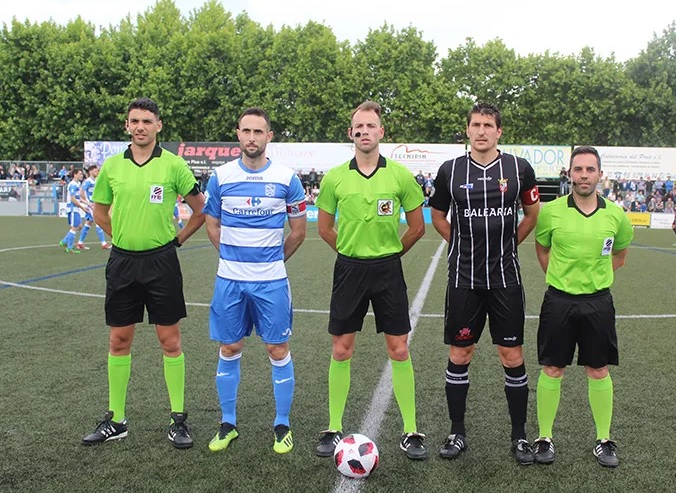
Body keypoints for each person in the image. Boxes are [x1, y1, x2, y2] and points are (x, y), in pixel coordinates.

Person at [81, 97, 206, 448]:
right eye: (135, 121)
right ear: (127, 125)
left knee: (170, 341)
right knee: (119, 341)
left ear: (158, 126)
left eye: (147, 121)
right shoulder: (112, 167)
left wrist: (177, 240)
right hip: (122, 263)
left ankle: (178, 420)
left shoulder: (174, 165)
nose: (140, 127)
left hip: (161, 263)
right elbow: (100, 211)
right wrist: (120, 236)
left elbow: (200, 209)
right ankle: (116, 420)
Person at [314, 100, 427, 460]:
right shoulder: (335, 178)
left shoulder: (400, 176)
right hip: (349, 270)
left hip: (388, 271)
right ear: (351, 133)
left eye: (370, 126)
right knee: (341, 349)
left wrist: (390, 254)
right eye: (358, 127)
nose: (364, 131)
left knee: (399, 349)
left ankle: (411, 430)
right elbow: (324, 228)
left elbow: (417, 227)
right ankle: (333, 427)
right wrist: (351, 252)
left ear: (381, 132)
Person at [430, 102, 541, 464]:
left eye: (488, 125)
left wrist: (509, 244)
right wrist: (460, 244)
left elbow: (531, 214)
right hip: (464, 278)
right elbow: (437, 215)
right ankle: (456, 432)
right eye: (475, 124)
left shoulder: (519, 169)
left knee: (512, 356)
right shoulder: (450, 170)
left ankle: (519, 436)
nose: (481, 131)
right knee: (460, 353)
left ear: (499, 131)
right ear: (468, 130)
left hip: (506, 278)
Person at [203, 107, 307, 454]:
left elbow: (298, 232)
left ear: (269, 136)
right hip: (229, 281)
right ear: (238, 134)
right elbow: (212, 224)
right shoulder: (220, 177)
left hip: (271, 282)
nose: (251, 138)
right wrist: (231, 256)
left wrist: (272, 261)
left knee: (277, 349)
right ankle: (228, 423)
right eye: (246, 131)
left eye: (258, 132)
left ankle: (282, 424)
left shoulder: (287, 179)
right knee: (229, 348)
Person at [532, 146, 633, 468]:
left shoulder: (615, 215)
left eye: (590, 169)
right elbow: (542, 249)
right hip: (558, 301)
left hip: (598, 302)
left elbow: (620, 255)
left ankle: (603, 440)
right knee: (552, 368)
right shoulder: (551, 212)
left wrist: (595, 277)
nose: (584, 175)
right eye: (579, 169)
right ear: (570, 174)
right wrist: (561, 277)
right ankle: (544, 437)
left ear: (600, 174)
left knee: (598, 369)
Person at [76, 165, 111, 250]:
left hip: (93, 204)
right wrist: (87, 202)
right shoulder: (88, 181)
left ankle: (80, 243)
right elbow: (81, 191)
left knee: (88, 223)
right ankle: (104, 243)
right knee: (99, 222)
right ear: (90, 171)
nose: (97, 172)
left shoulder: (95, 180)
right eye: (95, 171)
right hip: (91, 205)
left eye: (97, 171)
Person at [58, 168, 88, 254]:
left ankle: (64, 241)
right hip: (72, 208)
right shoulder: (73, 185)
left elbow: (78, 198)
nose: (82, 175)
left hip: (75, 209)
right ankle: (69, 247)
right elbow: (73, 199)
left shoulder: (78, 184)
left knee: (79, 226)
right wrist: (82, 207)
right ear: (75, 174)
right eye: (80, 174)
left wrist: (88, 203)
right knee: (75, 227)